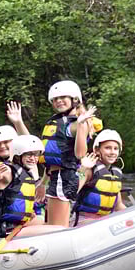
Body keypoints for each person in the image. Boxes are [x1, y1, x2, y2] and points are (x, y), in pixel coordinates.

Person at [0, 135, 65, 238]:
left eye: (36, 155)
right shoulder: (8, 171)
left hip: (18, 226)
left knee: (50, 224)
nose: (33, 158)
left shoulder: (26, 173)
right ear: (17, 155)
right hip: (6, 231)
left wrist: (27, 214)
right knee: (59, 230)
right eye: (29, 155)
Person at [35, 80, 97, 227]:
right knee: (50, 223)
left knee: (57, 228)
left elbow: (80, 154)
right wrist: (43, 183)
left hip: (64, 179)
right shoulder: (58, 123)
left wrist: (81, 125)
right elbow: (50, 159)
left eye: (63, 97)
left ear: (74, 99)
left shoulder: (77, 124)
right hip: (54, 178)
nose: (58, 101)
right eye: (55, 99)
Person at [72, 129, 126, 226]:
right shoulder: (89, 170)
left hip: (104, 221)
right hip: (83, 221)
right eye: (108, 148)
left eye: (115, 148)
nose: (112, 152)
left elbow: (118, 206)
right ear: (97, 150)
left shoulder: (115, 174)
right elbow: (71, 192)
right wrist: (83, 169)